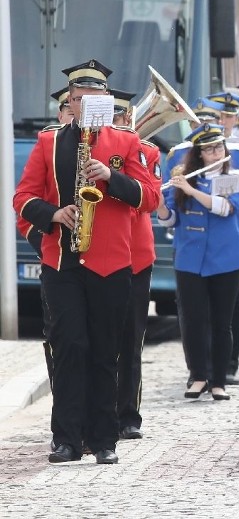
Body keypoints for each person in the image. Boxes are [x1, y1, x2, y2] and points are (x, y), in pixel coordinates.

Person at [13, 59, 160, 464]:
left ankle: (105, 438)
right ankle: (66, 439)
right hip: (62, 259)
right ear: (71, 104)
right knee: (69, 346)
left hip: (112, 261)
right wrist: (54, 214)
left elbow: (150, 197)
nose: (85, 104)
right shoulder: (49, 142)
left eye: (94, 98)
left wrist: (111, 179)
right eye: (78, 99)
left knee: (104, 350)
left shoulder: (128, 143)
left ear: (106, 103)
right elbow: (22, 197)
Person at [157, 123, 239, 401]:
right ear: (199, 154)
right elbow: (170, 220)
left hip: (227, 259)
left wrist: (191, 192)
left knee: (222, 321)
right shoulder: (183, 178)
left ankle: (218, 380)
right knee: (192, 321)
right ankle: (198, 376)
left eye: (218, 147)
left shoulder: (237, 177)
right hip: (190, 258)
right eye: (208, 149)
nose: (215, 153)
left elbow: (225, 208)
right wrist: (159, 201)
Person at [110, 89, 163, 440]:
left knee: (131, 338)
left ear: (128, 120)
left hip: (135, 255)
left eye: (119, 119)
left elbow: (148, 200)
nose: (114, 125)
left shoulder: (146, 151)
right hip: (100, 252)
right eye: (108, 119)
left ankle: (129, 413)